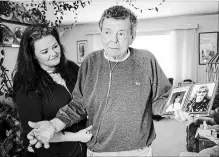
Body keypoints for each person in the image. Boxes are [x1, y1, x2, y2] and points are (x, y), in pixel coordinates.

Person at [26, 5, 190, 157]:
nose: (114, 40)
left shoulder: (146, 60)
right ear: (101, 33)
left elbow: (160, 98)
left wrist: (174, 109)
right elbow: (78, 105)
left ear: (132, 36)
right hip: (99, 151)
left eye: (121, 33)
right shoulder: (90, 62)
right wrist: (53, 125)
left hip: (138, 150)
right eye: (108, 32)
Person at [12, 25, 92, 157]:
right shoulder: (26, 83)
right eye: (45, 51)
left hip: (82, 150)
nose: (53, 53)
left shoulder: (71, 68)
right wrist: (76, 137)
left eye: (55, 46)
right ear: (32, 55)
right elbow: (34, 133)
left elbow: (84, 100)